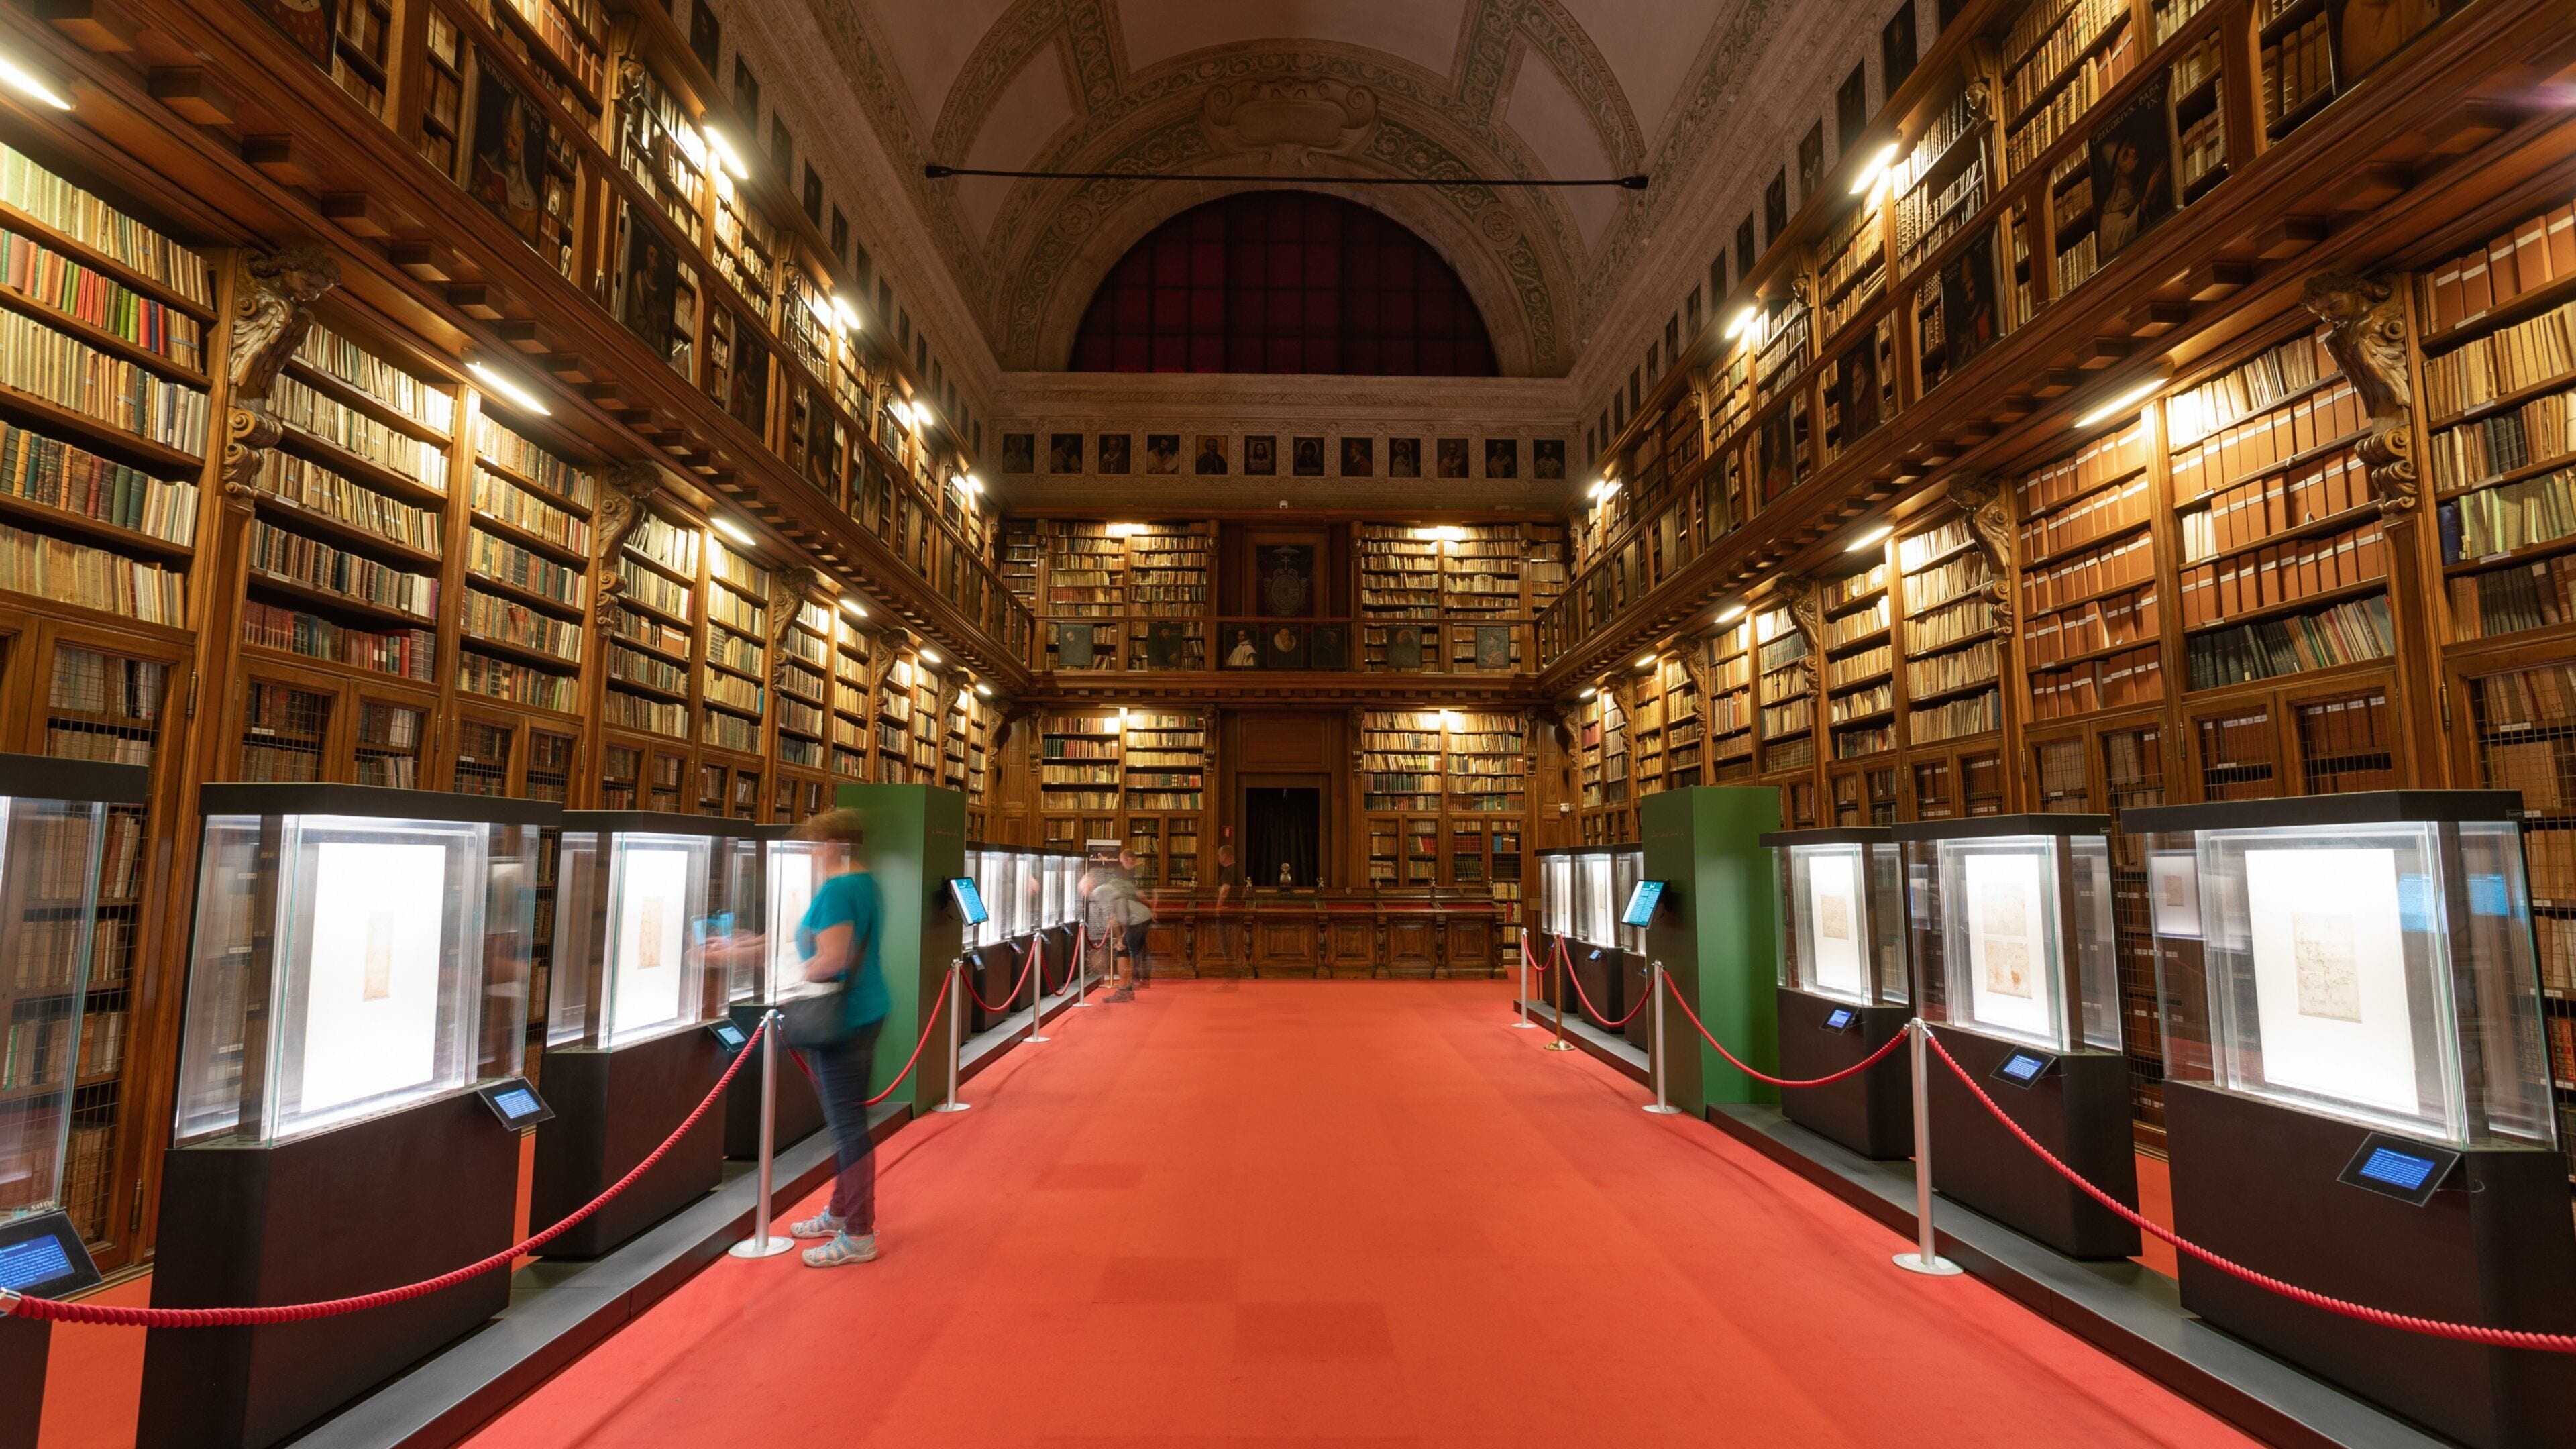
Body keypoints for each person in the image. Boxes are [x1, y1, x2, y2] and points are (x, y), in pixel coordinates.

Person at [785, 808, 891, 1267]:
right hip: (866, 1009)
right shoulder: (868, 883)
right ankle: (842, 1210)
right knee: (848, 1123)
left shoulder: (837, 889)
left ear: (831, 846)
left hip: (841, 1018)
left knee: (847, 1128)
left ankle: (859, 1232)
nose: (810, 854)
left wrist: (784, 977)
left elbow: (832, 959)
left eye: (813, 844)